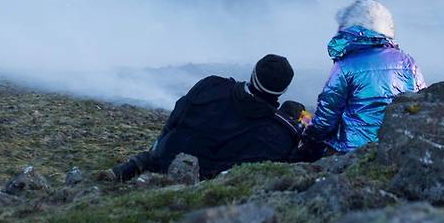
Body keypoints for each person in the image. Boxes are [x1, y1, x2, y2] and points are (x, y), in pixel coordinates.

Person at [108, 54, 307, 181]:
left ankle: (144, 161)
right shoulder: (280, 132)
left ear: (253, 72)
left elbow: (175, 118)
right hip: (207, 180)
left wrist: (161, 148)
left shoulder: (211, 84)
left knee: (161, 151)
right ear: (283, 90)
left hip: (168, 155)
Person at [299, 0, 425, 161]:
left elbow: (327, 116)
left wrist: (309, 135)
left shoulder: (346, 66)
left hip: (352, 151)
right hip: (394, 147)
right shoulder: (408, 62)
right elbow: (421, 103)